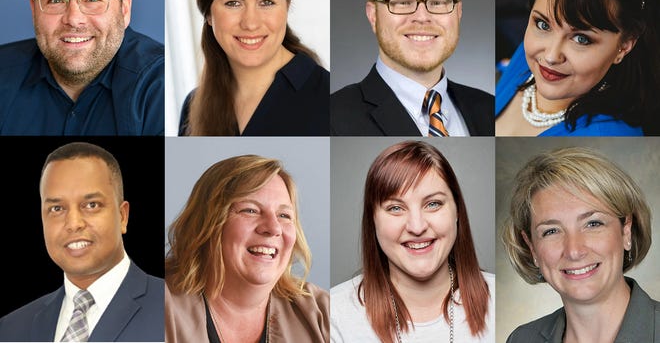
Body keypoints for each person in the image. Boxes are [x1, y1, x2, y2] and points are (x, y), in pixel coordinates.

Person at [0, 0, 164, 136]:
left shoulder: (159, 85)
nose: (74, 19)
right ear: (34, 11)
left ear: (124, 8)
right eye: (56, 0)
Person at [331, 141, 494, 342]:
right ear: (372, 219)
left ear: (457, 210)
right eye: (395, 208)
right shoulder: (331, 315)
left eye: (433, 204)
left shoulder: (499, 303)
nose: (417, 227)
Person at [0, 142, 164, 342]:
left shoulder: (172, 307)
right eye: (57, 209)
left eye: (91, 205)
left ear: (123, 216)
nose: (73, 224)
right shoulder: (11, 329)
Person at [330, 0, 494, 137]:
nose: (422, 17)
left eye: (438, 2)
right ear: (373, 15)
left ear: (458, 12)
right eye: (402, 2)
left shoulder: (490, 109)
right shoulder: (331, 118)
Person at [495, 0, 660, 136]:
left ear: (624, 45)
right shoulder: (526, 56)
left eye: (581, 39)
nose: (550, 56)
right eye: (543, 25)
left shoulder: (609, 135)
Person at [178, 0, 329, 136]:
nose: (250, 23)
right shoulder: (191, 108)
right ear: (208, 14)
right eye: (233, 3)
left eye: (266, 2)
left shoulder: (329, 98)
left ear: (287, 5)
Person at [165, 154, 329, 342]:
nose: (273, 228)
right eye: (250, 210)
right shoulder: (158, 305)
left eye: (284, 215)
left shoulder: (322, 312)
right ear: (208, 223)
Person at [502, 147, 659, 342]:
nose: (574, 251)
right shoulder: (521, 339)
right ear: (532, 247)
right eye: (551, 231)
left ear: (626, 229)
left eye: (593, 224)